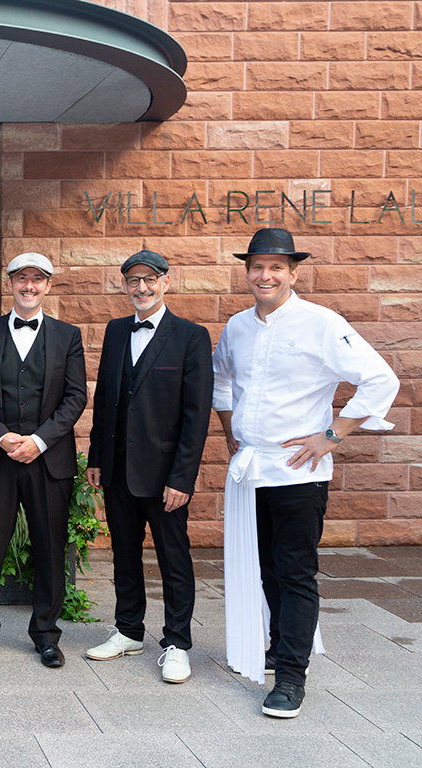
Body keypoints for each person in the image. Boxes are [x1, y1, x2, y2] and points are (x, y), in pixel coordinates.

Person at [213, 228, 398, 718]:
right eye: (257, 266)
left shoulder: (322, 323)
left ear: (293, 274)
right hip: (252, 469)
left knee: (295, 571)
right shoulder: (237, 327)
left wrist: (332, 435)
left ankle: (292, 678)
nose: (265, 275)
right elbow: (221, 378)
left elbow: (380, 379)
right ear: (247, 272)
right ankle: (280, 647)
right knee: (266, 567)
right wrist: (230, 431)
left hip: (299, 471)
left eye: (276, 267)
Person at [0, 253, 87, 667]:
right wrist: (3, 436)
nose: (29, 286)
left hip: (48, 461)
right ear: (9, 283)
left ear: (48, 286)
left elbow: (75, 397)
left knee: (50, 548)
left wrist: (39, 441)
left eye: (37, 279)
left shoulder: (68, 336)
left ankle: (46, 635)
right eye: (22, 278)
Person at [85, 249, 213, 684]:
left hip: (164, 477)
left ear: (165, 282)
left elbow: (196, 416)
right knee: (124, 553)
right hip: (118, 469)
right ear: (125, 286)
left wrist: (182, 477)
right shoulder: (116, 330)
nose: (141, 288)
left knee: (173, 559)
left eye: (149, 280)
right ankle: (128, 630)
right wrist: (96, 457)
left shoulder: (191, 336)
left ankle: (177, 643)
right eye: (133, 281)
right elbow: (105, 398)